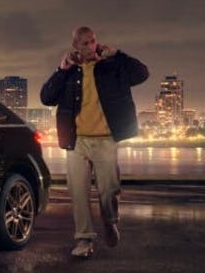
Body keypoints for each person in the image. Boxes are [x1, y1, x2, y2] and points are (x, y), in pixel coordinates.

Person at [40, 26, 149, 258]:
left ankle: (110, 222)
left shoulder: (112, 66)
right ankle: (84, 240)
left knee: (109, 191)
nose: (90, 46)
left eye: (93, 41)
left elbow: (142, 74)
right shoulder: (69, 72)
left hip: (106, 140)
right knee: (78, 193)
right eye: (84, 43)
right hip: (76, 142)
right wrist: (60, 70)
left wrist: (117, 54)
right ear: (75, 47)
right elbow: (46, 97)